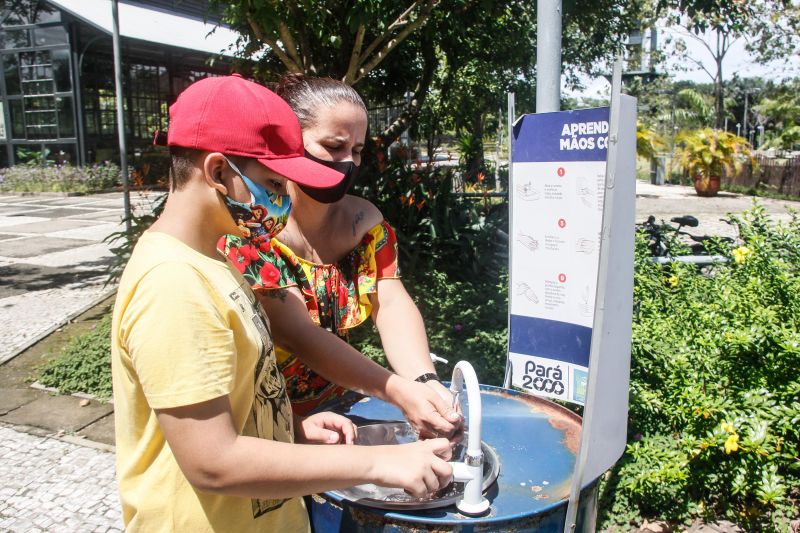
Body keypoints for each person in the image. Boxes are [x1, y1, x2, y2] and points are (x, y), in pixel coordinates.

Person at [111, 74, 453, 532]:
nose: (280, 199)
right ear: (217, 172)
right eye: (273, 183)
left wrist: (288, 426)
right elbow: (213, 462)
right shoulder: (173, 284)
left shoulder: (211, 261)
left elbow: (243, 387)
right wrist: (378, 463)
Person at [221, 75, 457, 437]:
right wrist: (398, 392)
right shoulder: (255, 227)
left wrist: (424, 380)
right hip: (259, 427)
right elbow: (296, 333)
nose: (347, 163)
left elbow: (391, 305)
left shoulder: (366, 227)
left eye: (358, 151)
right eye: (334, 146)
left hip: (336, 418)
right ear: (289, 144)